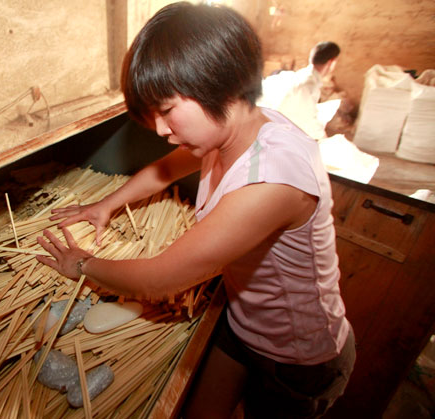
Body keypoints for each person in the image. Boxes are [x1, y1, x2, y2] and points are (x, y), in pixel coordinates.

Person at [36, 3, 355, 418]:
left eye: (166, 111)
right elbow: (164, 170)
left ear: (220, 83)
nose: (161, 130)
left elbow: (160, 279)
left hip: (298, 356)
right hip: (242, 321)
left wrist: (82, 265)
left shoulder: (273, 179)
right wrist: (104, 205)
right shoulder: (233, 132)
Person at [259, 41, 341, 140]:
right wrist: (324, 139)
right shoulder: (307, 85)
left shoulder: (295, 77)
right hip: (277, 135)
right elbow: (308, 122)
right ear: (331, 62)